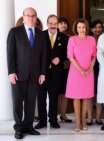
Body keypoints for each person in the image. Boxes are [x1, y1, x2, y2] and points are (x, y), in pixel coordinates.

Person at [7, 7, 46, 139]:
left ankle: (28, 126)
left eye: (33, 16)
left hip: (35, 75)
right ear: (23, 17)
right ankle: (18, 128)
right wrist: (11, 72)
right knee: (17, 103)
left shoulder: (41, 34)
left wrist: (43, 73)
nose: (31, 18)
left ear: (36, 18)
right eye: (28, 15)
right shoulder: (14, 32)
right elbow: (10, 54)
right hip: (18, 75)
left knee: (30, 103)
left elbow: (44, 56)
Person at [35, 15, 69, 129]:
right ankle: (42, 121)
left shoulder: (64, 38)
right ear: (47, 23)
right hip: (41, 73)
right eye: (51, 23)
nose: (53, 26)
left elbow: (67, 54)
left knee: (53, 98)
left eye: (55, 23)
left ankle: (53, 120)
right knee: (41, 97)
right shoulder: (40, 35)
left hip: (56, 73)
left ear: (58, 24)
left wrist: (60, 59)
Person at [65, 18, 96, 132]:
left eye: (83, 27)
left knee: (86, 97)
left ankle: (84, 120)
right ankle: (77, 121)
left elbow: (94, 56)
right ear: (76, 29)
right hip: (76, 72)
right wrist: (81, 70)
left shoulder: (92, 39)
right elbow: (70, 57)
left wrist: (89, 68)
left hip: (89, 72)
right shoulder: (72, 39)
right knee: (77, 97)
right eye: (79, 27)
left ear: (86, 28)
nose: (81, 29)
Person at [87, 19, 104, 125]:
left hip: (102, 68)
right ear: (91, 29)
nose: (97, 29)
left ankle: (98, 118)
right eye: (95, 27)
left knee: (100, 93)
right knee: (89, 94)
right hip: (89, 68)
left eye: (99, 27)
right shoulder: (88, 39)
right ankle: (89, 118)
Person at [57, 17, 72, 123]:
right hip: (57, 68)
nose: (63, 25)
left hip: (69, 68)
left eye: (65, 23)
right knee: (56, 93)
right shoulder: (54, 36)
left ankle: (63, 114)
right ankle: (55, 114)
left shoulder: (71, 37)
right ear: (57, 25)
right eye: (61, 23)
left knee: (65, 92)